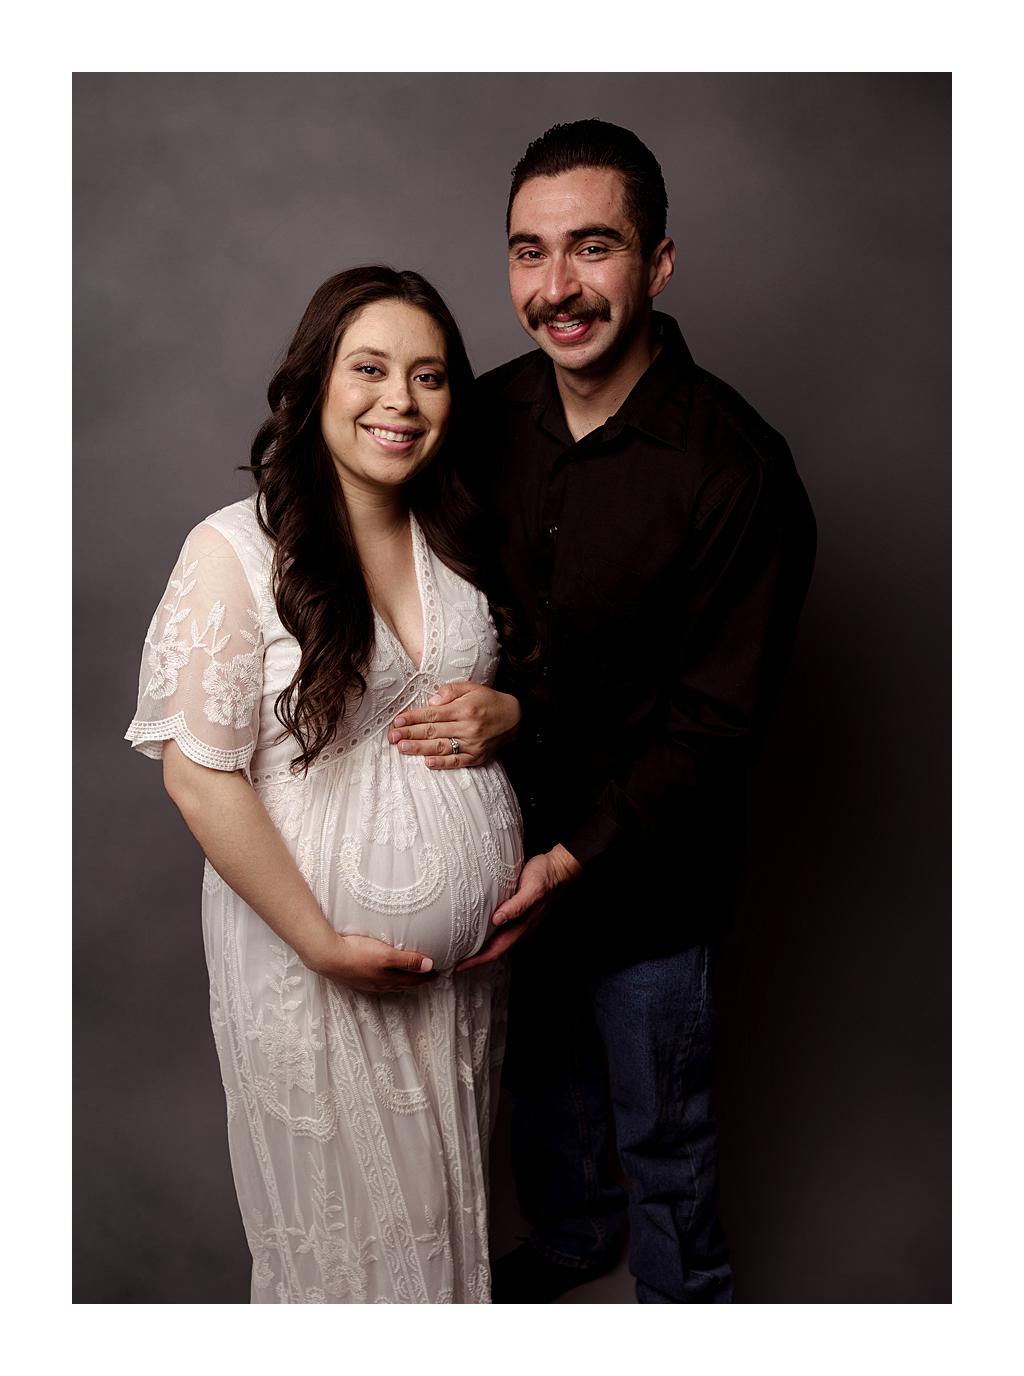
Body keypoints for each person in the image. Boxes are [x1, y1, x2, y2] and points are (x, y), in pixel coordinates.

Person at [387, 121, 817, 1303]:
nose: (557, 287)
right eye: (529, 252)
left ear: (657, 262)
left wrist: (570, 853)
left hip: (648, 873)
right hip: (502, 847)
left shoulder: (737, 467)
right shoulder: (478, 418)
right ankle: (574, 1242)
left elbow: (715, 722)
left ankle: (684, 1304)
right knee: (543, 1089)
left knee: (661, 1129)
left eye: (592, 247)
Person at [125, 267, 524, 1304]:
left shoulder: (455, 533)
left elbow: (502, 686)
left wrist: (510, 711)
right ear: (315, 385)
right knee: (348, 1259)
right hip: (310, 960)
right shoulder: (234, 549)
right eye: (371, 369)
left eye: (429, 376)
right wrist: (318, 941)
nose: (402, 400)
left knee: (444, 1235)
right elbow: (199, 776)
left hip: (460, 985)